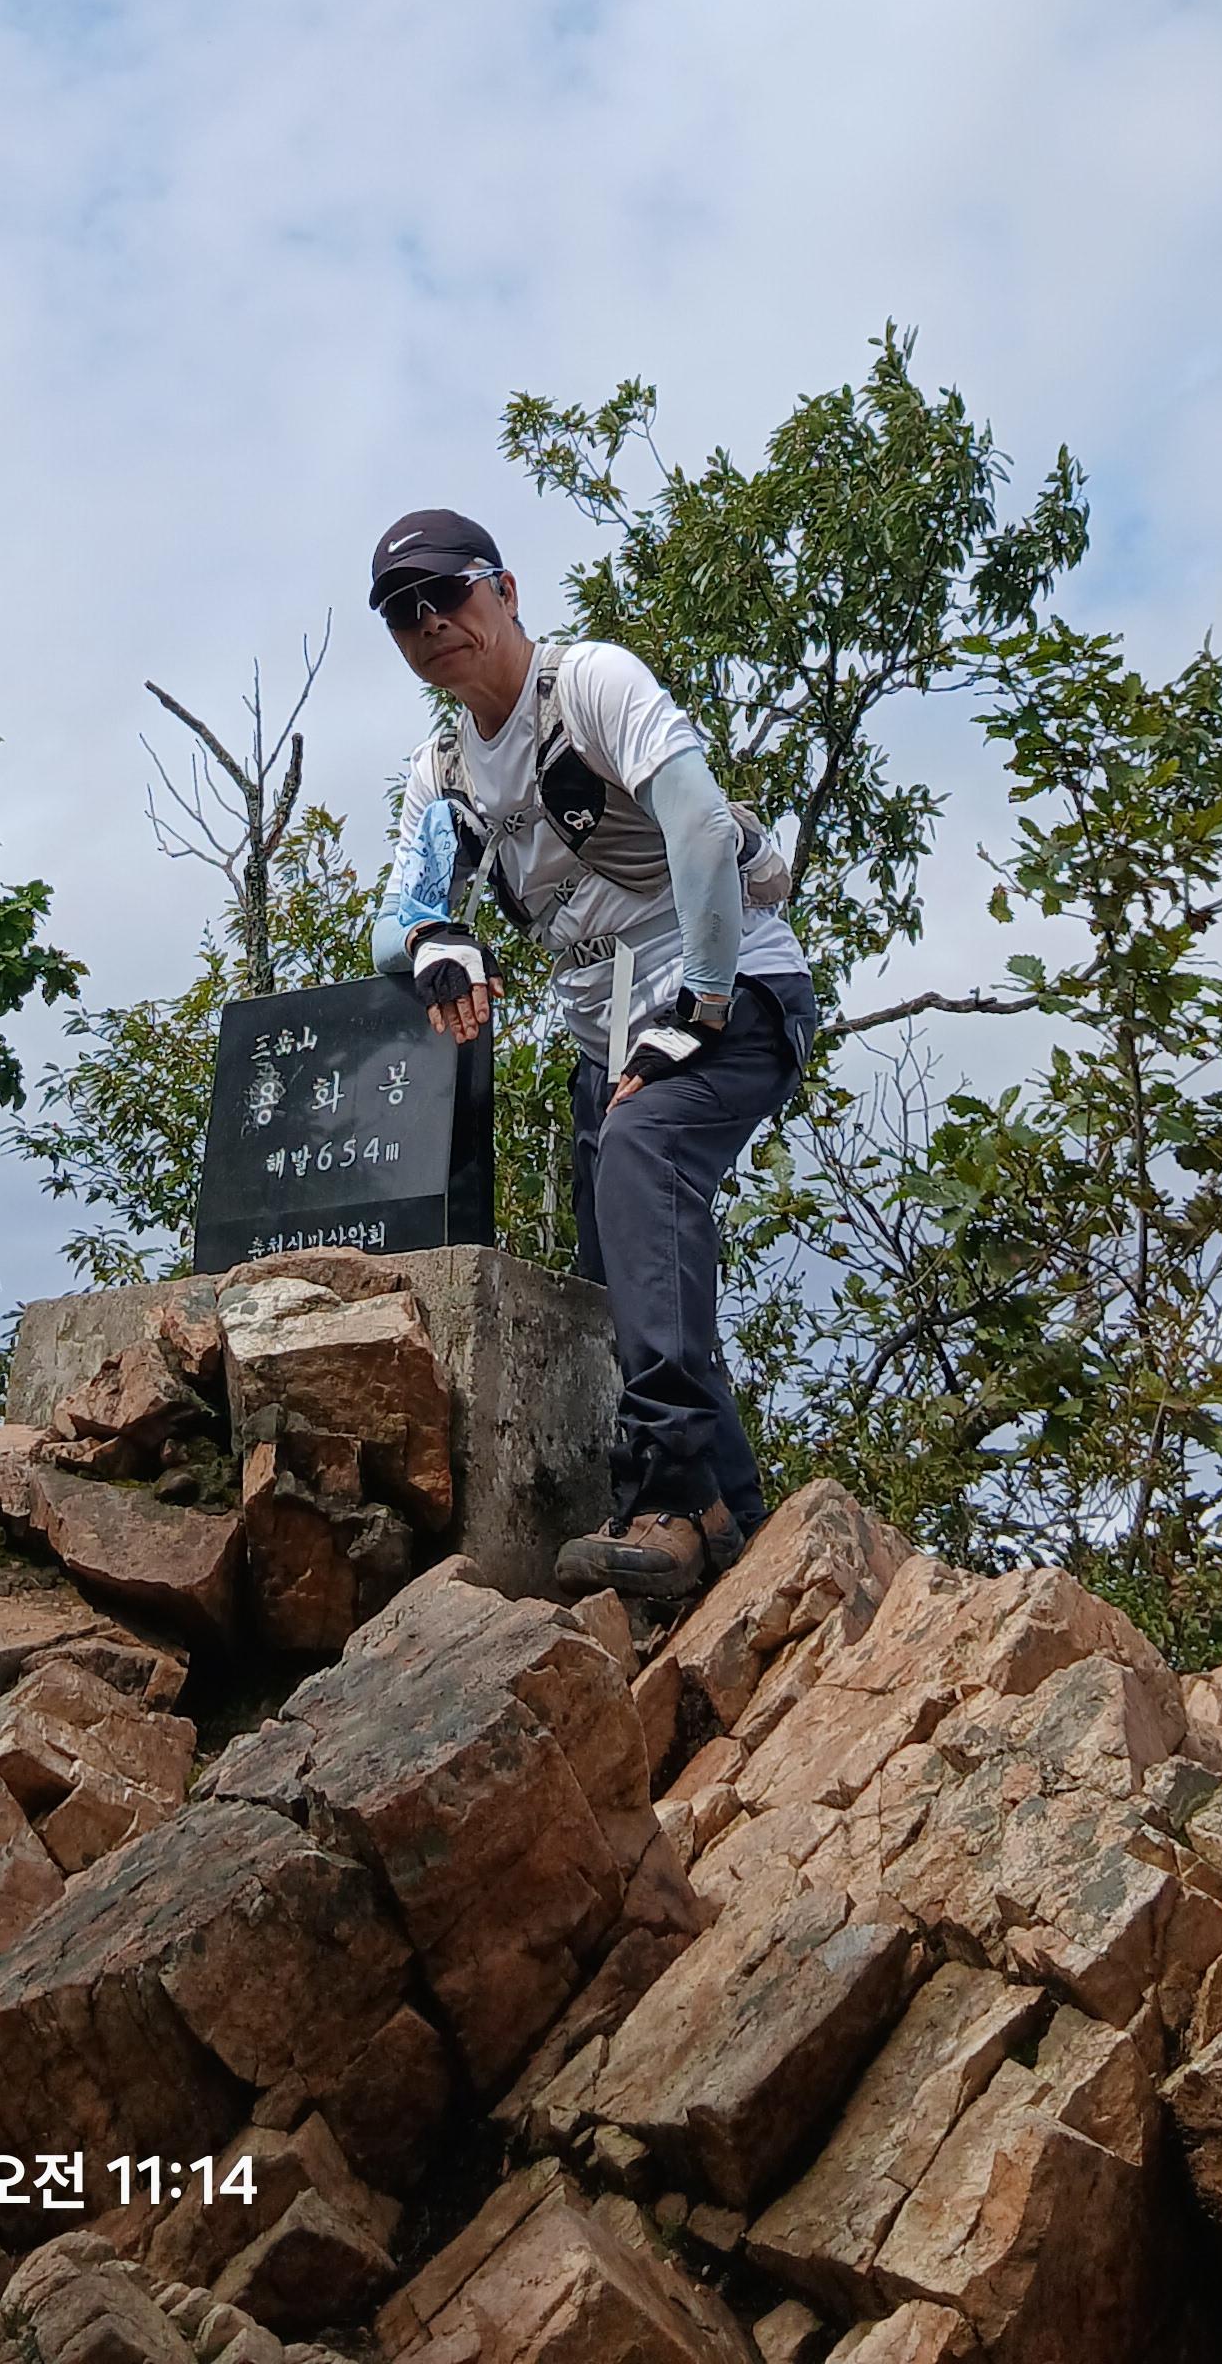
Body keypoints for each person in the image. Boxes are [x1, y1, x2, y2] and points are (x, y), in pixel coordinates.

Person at [366, 505, 815, 1613]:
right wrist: (434, 942)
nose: (430, 623)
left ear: (503, 589)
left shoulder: (590, 685)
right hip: (605, 1043)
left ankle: (663, 1494)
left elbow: (701, 827)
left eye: (446, 594)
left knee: (643, 1149)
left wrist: (701, 1003)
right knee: (629, 1273)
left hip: (731, 991)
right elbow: (394, 919)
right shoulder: (441, 773)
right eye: (403, 614)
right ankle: (731, 1531)